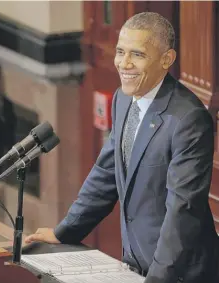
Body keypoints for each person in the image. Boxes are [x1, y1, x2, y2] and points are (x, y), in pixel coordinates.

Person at [25, 12, 219, 283]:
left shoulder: (188, 120)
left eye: (137, 55)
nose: (124, 63)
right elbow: (106, 173)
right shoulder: (123, 99)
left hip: (180, 274)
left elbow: (182, 213)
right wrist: (65, 231)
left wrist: (158, 278)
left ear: (167, 59)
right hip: (136, 265)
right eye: (120, 51)